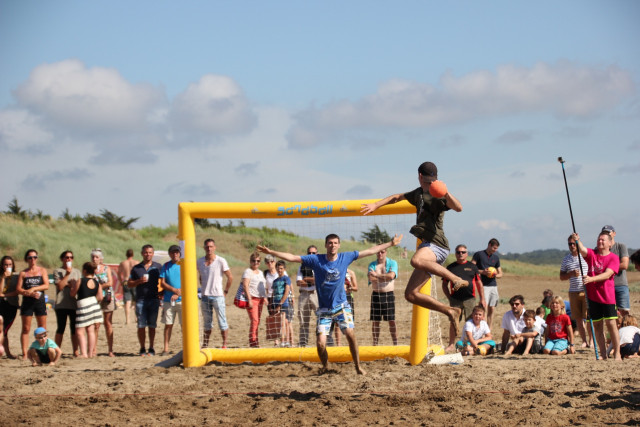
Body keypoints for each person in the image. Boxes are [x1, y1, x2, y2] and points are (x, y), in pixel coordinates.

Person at [258, 232, 403, 375]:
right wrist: (272, 253)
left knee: (350, 334)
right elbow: (293, 257)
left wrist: (391, 243)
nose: (332, 245)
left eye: (335, 243)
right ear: (326, 245)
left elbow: (370, 251)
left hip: (342, 306)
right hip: (324, 310)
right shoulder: (316, 259)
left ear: (339, 245)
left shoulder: (345, 257)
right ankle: (326, 366)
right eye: (330, 243)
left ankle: (358, 366)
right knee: (320, 343)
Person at [361, 162, 465, 334]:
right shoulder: (417, 194)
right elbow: (396, 197)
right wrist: (376, 205)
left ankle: (454, 278)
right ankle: (450, 311)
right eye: (427, 180)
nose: (430, 183)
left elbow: (459, 207)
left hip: (437, 245)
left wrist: (446, 193)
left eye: (433, 180)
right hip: (427, 246)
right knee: (410, 294)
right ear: (420, 176)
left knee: (416, 260)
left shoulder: (438, 194)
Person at [572, 231, 621, 361]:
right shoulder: (592, 255)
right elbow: (582, 250)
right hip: (593, 297)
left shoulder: (613, 258)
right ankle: (603, 354)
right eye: (599, 239)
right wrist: (577, 240)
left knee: (611, 324)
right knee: (597, 326)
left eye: (603, 240)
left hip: (607, 297)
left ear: (610, 243)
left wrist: (592, 279)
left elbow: (608, 274)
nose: (600, 241)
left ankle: (617, 354)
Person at [442, 244, 484, 352]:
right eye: (458, 252)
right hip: (455, 299)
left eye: (463, 252)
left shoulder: (473, 267)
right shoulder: (450, 267)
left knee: (471, 321)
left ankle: (470, 344)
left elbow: (479, 283)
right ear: (455, 254)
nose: (461, 254)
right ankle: (451, 344)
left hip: (470, 298)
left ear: (467, 253)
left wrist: (482, 298)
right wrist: (449, 297)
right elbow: (444, 285)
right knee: (453, 322)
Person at [197, 239, 233, 349]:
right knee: (207, 322)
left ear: (214, 247)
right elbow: (201, 276)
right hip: (205, 296)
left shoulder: (221, 261)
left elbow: (230, 277)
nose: (209, 249)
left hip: (218, 296)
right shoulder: (199, 262)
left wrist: (225, 291)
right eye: (207, 247)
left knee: (222, 321)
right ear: (204, 248)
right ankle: (205, 344)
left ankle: (224, 344)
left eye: (211, 246)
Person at [128, 245, 162, 356]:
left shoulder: (158, 267)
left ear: (153, 254)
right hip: (141, 300)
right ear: (142, 253)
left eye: (150, 252)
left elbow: (163, 282)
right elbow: (129, 283)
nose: (148, 254)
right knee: (141, 325)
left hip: (154, 299)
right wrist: (139, 281)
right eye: (146, 252)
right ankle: (142, 348)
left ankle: (151, 347)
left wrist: (162, 293)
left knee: (152, 325)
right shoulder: (136, 268)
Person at [16, 249, 49, 360]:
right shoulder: (23, 273)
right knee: (26, 328)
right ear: (26, 259)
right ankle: (25, 353)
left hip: (39, 302)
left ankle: (43, 350)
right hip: (27, 302)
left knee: (42, 328)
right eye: (30, 257)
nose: (32, 259)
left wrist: (34, 288)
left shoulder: (42, 270)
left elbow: (46, 285)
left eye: (35, 257)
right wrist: (27, 293)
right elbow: (18, 289)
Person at [559, 234, 591, 347]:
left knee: (588, 316)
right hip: (573, 291)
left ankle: (591, 340)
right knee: (578, 318)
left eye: (574, 243)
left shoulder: (585, 256)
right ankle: (584, 340)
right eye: (570, 244)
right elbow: (561, 276)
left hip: (586, 290)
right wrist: (570, 274)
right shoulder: (566, 259)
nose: (572, 246)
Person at [70, 262, 103, 358]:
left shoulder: (81, 280)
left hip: (83, 306)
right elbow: (100, 297)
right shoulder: (97, 282)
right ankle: (90, 353)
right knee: (90, 330)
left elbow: (72, 294)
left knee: (80, 331)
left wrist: (72, 285)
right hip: (94, 305)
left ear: (84, 271)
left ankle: (84, 353)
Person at [368, 248, 399, 346]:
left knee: (391, 320)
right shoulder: (372, 264)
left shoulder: (392, 263)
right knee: (375, 321)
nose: (380, 253)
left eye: (382, 251)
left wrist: (377, 275)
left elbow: (391, 276)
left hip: (388, 294)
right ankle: (375, 343)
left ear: (386, 252)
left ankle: (395, 344)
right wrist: (385, 277)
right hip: (376, 294)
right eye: (378, 251)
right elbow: (371, 278)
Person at [52, 250, 80, 357]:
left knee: (74, 329)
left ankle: (75, 351)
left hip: (74, 304)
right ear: (62, 259)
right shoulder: (57, 271)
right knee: (61, 327)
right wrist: (67, 275)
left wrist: (69, 284)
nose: (69, 259)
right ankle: (57, 350)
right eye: (66, 257)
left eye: (71, 257)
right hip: (61, 304)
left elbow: (77, 286)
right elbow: (59, 286)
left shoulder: (77, 272)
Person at [472, 238, 503, 330]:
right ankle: (482, 328)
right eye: (494, 248)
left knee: (492, 308)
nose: (495, 250)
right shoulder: (479, 254)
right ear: (489, 245)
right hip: (483, 285)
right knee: (483, 307)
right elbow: (471, 268)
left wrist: (495, 275)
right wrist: (483, 272)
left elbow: (500, 273)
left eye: (496, 248)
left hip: (493, 285)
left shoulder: (496, 258)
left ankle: (489, 329)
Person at [602, 225, 630, 317]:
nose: (607, 235)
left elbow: (624, 265)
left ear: (614, 234)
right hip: (606, 285)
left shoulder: (620, 246)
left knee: (624, 312)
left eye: (608, 232)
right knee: (611, 314)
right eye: (604, 233)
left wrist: (608, 270)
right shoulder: (600, 248)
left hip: (620, 284)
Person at [91, 249, 115, 357]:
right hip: (95, 298)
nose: (94, 259)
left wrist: (99, 287)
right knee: (96, 324)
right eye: (93, 257)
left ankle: (110, 349)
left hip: (107, 297)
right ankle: (93, 349)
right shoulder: (90, 270)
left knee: (108, 323)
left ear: (101, 258)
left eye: (96, 257)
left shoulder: (106, 268)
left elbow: (110, 282)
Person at [240, 252, 267, 348]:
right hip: (252, 299)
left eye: (258, 261)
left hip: (260, 299)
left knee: (257, 321)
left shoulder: (260, 272)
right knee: (254, 320)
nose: (256, 262)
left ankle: (256, 341)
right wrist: (249, 299)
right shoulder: (248, 271)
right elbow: (245, 285)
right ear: (250, 261)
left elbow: (262, 286)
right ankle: (253, 342)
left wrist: (265, 298)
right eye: (254, 261)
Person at [160, 245, 182, 355]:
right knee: (168, 324)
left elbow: (190, 281)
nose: (175, 254)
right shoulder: (166, 266)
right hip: (169, 300)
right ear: (169, 254)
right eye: (173, 252)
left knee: (185, 325)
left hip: (183, 300)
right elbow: (162, 283)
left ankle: (186, 347)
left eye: (177, 252)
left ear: (180, 253)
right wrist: (174, 290)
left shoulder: (184, 265)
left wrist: (179, 293)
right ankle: (166, 348)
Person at [296, 245, 319, 347]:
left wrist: (307, 279)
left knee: (321, 320)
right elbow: (299, 282)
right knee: (303, 322)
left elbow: (319, 281)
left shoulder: (319, 265)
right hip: (304, 295)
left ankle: (321, 343)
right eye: (309, 253)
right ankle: (303, 344)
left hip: (316, 294)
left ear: (317, 254)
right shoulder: (302, 265)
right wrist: (312, 280)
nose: (311, 255)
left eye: (313, 253)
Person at [0, 255, 20, 359]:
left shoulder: (16, 276)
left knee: (5, 330)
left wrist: (5, 295)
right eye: (5, 264)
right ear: (2, 265)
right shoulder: (0, 276)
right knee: (2, 330)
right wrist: (3, 278)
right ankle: (6, 352)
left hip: (12, 305)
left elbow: (18, 291)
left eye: (10, 264)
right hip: (1, 304)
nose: (8, 266)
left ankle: (7, 353)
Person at [270, 260, 293, 347]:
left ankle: (285, 341)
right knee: (280, 323)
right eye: (278, 268)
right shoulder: (275, 281)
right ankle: (283, 341)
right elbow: (273, 293)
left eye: (281, 268)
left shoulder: (286, 279)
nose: (279, 270)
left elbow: (286, 292)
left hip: (284, 304)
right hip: (275, 303)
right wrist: (272, 304)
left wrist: (280, 304)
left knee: (284, 322)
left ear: (284, 269)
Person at [264, 254, 283, 346]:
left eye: (271, 261)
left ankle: (284, 338)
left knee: (282, 318)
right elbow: (265, 287)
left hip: (280, 297)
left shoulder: (280, 272)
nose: (270, 263)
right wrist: (265, 297)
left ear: (275, 262)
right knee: (273, 318)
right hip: (270, 298)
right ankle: (276, 341)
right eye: (267, 262)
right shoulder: (265, 274)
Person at [118, 249, 138, 325]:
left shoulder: (123, 263)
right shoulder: (136, 262)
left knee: (128, 301)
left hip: (126, 281)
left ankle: (127, 320)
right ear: (133, 255)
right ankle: (136, 318)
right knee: (136, 301)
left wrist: (120, 282)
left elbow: (119, 273)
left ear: (126, 255)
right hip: (134, 281)